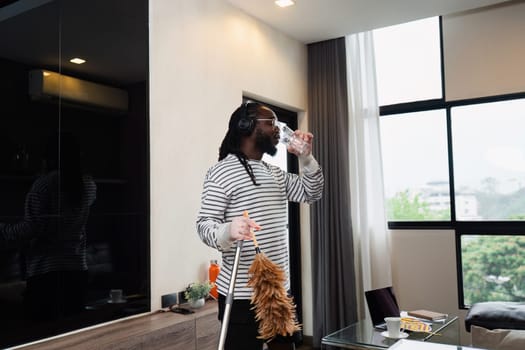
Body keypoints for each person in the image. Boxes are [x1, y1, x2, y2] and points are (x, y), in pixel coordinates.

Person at [196, 102, 324, 350]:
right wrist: (228, 230)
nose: (279, 129)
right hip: (243, 298)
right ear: (247, 126)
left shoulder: (274, 173)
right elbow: (204, 226)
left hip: (279, 293)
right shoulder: (220, 173)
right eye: (272, 122)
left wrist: (306, 158)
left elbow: (312, 192)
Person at [0, 132, 96, 321]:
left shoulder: (43, 185)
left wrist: (2, 229)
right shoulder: (89, 184)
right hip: (77, 270)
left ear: (49, 157)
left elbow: (31, 228)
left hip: (46, 274)